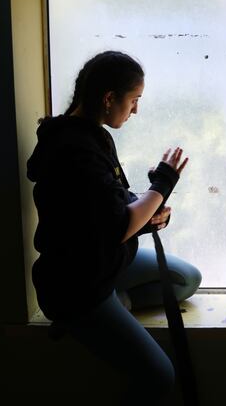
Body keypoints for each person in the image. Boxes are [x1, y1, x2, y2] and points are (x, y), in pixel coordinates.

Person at [26, 50, 202, 404]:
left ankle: (115, 309)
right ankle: (89, 319)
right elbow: (118, 224)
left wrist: (149, 213)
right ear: (109, 99)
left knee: (186, 279)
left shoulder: (92, 135)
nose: (135, 109)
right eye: (133, 100)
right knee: (159, 375)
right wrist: (163, 184)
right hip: (78, 286)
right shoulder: (74, 149)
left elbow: (109, 203)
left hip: (105, 262)